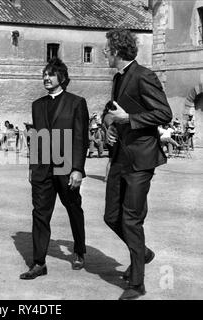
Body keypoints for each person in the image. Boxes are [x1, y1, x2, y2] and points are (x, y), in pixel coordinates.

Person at [103, 29, 172, 300]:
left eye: (107, 48)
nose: (104, 53)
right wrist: (110, 125)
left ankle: (136, 284)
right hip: (121, 155)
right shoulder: (118, 78)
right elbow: (114, 111)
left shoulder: (144, 75)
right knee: (111, 216)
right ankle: (142, 253)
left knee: (131, 219)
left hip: (141, 158)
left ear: (118, 50)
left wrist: (127, 119)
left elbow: (164, 112)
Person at [20, 58, 89, 280]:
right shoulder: (37, 105)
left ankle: (79, 250)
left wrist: (77, 169)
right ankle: (39, 263)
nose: (46, 78)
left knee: (73, 208)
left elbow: (80, 138)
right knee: (40, 213)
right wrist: (33, 167)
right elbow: (37, 139)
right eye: (44, 74)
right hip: (42, 170)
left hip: (66, 167)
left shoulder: (76, 102)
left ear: (62, 78)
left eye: (50, 74)